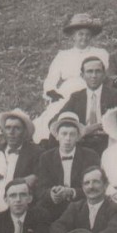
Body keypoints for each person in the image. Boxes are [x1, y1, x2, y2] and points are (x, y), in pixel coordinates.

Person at [35, 13, 108, 143]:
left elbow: (106, 75)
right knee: (55, 116)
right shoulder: (63, 55)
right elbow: (51, 79)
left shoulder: (100, 53)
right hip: (67, 93)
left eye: (87, 34)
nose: (84, 37)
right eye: (80, 34)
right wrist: (52, 92)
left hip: (91, 88)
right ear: (73, 36)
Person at [35, 113, 100, 214]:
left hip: (81, 206)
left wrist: (71, 192)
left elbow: (96, 187)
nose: (68, 138)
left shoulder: (90, 156)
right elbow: (41, 188)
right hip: (53, 207)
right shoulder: (46, 157)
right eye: (64, 134)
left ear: (78, 137)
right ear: (57, 136)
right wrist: (51, 193)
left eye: (72, 134)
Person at [58, 56, 117, 154]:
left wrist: (108, 129)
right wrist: (81, 130)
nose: (94, 75)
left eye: (98, 71)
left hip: (108, 142)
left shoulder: (116, 95)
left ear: (104, 74)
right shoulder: (76, 97)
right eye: (89, 72)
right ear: (82, 75)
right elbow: (58, 119)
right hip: (82, 143)